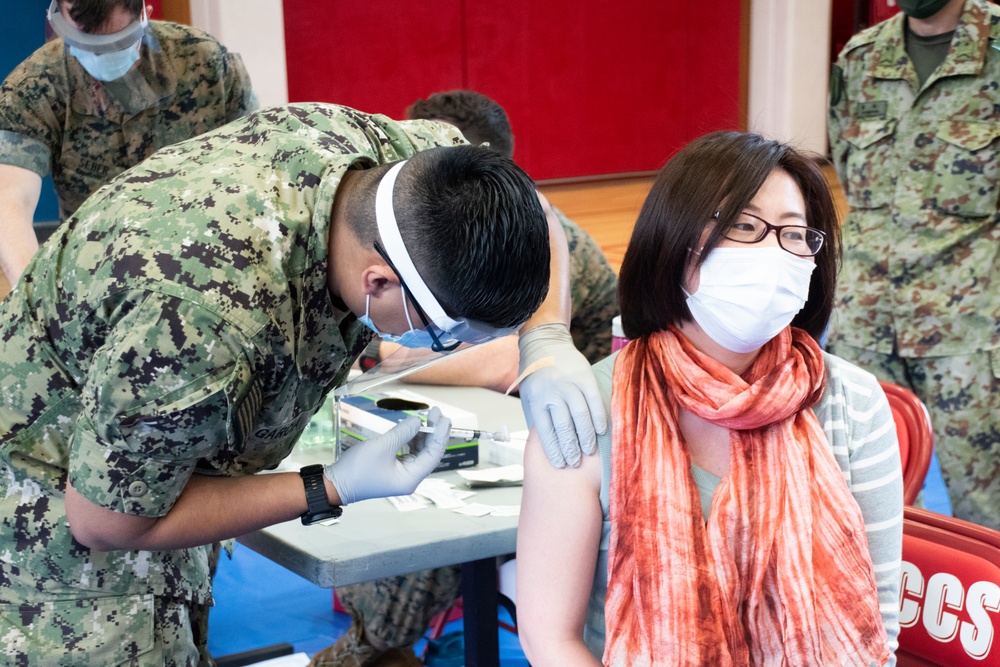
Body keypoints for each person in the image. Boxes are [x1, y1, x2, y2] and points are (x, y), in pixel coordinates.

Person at [0, 102, 584, 666]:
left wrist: (545, 339)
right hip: (52, 511)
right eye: (450, 332)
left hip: (147, 423)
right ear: (378, 283)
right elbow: (105, 522)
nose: (456, 351)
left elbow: (531, 209)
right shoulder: (203, 328)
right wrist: (328, 487)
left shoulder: (414, 171)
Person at [516, 132, 904, 666]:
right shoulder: (589, 410)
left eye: (795, 234)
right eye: (743, 226)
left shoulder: (851, 403)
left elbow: (876, 631)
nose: (772, 251)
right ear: (673, 241)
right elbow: (549, 638)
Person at [313, 90, 619, 667]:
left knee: (414, 524)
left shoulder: (520, 250)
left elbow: (501, 363)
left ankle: (378, 647)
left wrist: (395, 354)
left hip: (559, 446)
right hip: (490, 422)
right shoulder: (403, 241)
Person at [828, 0, 1000, 530]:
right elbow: (845, 170)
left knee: (984, 508)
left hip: (969, 328)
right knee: (862, 498)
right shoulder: (859, 60)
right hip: (866, 325)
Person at [0, 0, 255, 298]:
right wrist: (36, 304)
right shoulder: (36, 86)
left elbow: (252, 168)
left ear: (145, 13)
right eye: (84, 43)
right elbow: (8, 201)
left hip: (207, 272)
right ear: (56, 19)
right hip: (97, 285)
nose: (101, 55)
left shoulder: (205, 61)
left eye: (117, 43)